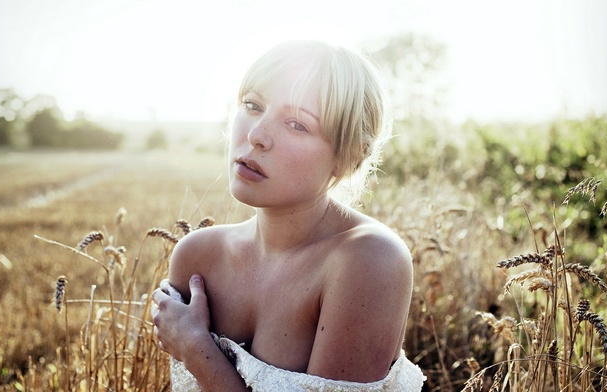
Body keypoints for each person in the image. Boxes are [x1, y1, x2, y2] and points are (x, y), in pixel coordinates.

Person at [151, 40, 425, 391]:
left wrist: (196, 349)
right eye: (252, 105)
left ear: (349, 157)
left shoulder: (369, 260)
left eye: (296, 124)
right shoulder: (197, 256)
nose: (256, 135)